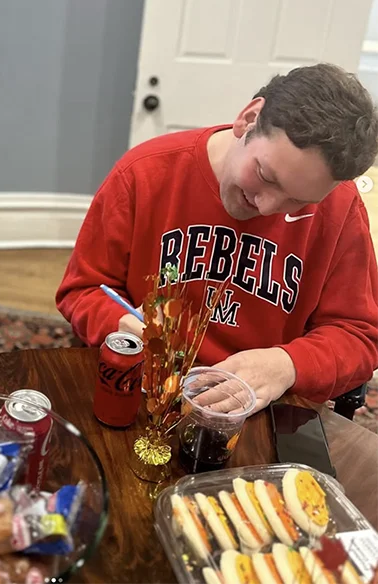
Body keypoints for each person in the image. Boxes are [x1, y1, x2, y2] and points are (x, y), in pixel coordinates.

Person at [57, 63, 378, 413]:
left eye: (298, 202)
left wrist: (287, 365)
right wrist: (118, 324)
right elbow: (83, 290)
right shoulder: (144, 173)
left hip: (259, 410)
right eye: (265, 175)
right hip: (141, 389)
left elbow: (359, 334)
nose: (267, 206)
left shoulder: (341, 208)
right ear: (248, 118)